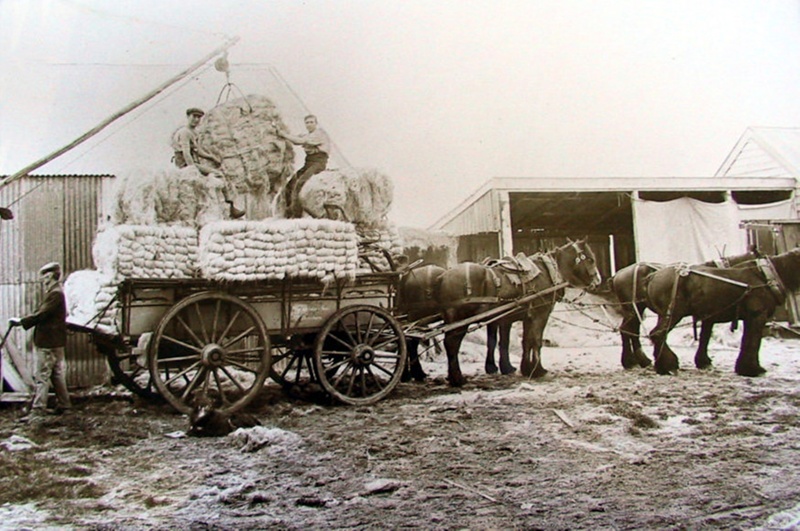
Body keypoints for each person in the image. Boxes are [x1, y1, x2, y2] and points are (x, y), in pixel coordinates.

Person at [9, 262, 72, 421]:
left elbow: (42, 314)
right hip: (55, 341)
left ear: (50, 276)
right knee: (56, 374)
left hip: (48, 342)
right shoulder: (55, 292)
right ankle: (65, 406)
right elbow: (41, 312)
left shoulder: (55, 294)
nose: (42, 278)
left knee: (42, 375)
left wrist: (21, 322)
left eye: (44, 275)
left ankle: (38, 410)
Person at [171, 107, 245, 219]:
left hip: (193, 162)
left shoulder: (193, 132)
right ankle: (231, 207)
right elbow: (186, 154)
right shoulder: (185, 132)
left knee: (214, 176)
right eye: (194, 117)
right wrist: (193, 170)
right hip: (185, 164)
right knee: (218, 174)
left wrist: (211, 157)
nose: (196, 120)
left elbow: (198, 151)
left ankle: (224, 207)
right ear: (188, 117)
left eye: (198, 117)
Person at [277, 114, 331, 218]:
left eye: (312, 122)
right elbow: (296, 138)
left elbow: (299, 141)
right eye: (307, 122)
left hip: (318, 163)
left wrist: (283, 134)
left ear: (316, 123)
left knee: (300, 183)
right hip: (309, 163)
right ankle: (288, 212)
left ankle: (296, 214)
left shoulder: (319, 134)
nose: (309, 124)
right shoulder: (307, 134)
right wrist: (279, 131)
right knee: (290, 185)